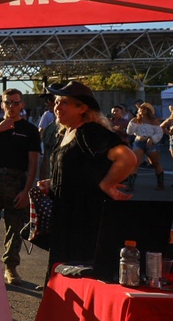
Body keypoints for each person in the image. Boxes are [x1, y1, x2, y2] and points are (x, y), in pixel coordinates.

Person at [40, 81, 137, 274]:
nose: (57, 106)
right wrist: (53, 182)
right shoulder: (68, 131)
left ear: (82, 108)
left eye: (64, 102)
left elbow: (127, 158)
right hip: (65, 217)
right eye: (57, 101)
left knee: (78, 274)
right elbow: (79, 169)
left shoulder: (90, 131)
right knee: (62, 270)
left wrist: (106, 184)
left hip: (85, 220)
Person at [0, 89, 41, 285]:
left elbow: (33, 164)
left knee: (15, 227)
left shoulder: (29, 130)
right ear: (1, 105)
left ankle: (10, 268)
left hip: (17, 181)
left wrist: (27, 190)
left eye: (15, 103)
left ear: (22, 105)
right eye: (8, 103)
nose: (11, 106)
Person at [126, 103, 166, 191]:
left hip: (151, 143)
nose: (142, 110)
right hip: (138, 142)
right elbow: (129, 132)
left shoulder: (153, 121)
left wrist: (152, 139)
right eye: (140, 109)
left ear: (149, 111)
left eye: (144, 109)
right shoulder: (135, 120)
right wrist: (133, 123)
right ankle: (130, 184)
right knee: (135, 163)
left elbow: (159, 132)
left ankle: (160, 183)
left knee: (155, 163)